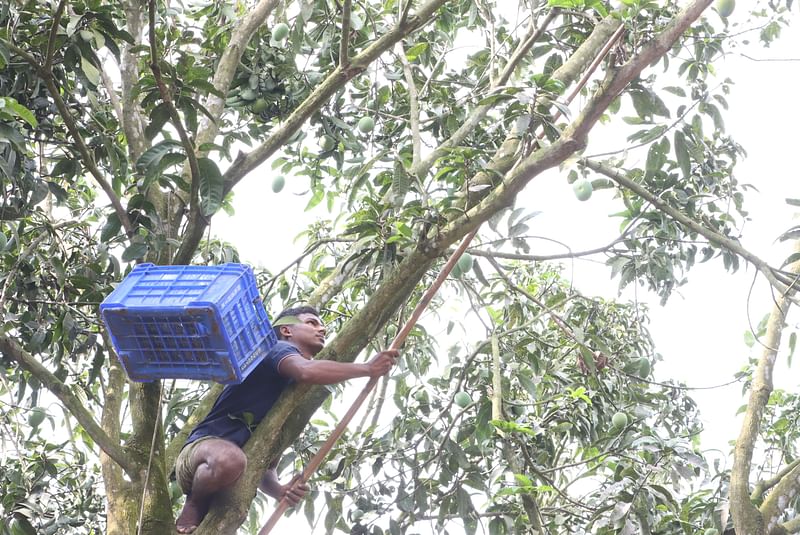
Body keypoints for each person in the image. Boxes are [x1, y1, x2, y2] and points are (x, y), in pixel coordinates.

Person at [174, 305, 399, 533]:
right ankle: (193, 504)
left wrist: (279, 490)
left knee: (233, 478)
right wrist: (368, 368)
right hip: (201, 455)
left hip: (232, 478)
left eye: (321, 325)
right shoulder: (275, 349)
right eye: (312, 323)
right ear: (286, 330)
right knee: (230, 459)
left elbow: (266, 464)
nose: (322, 329)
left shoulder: (291, 397)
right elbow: (305, 371)